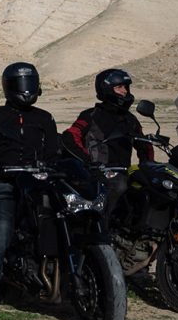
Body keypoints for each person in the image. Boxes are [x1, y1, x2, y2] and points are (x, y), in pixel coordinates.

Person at [0, 62, 59, 320]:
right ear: (9, 87)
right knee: (0, 235)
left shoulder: (45, 118)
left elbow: (54, 152)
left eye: (30, 84)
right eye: (21, 85)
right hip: (6, 184)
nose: (26, 90)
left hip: (40, 183)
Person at [61, 68, 153, 218]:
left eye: (126, 87)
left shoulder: (130, 119)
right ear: (107, 89)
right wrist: (87, 162)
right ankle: (103, 225)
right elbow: (70, 136)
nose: (125, 91)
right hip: (98, 173)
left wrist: (148, 166)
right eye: (119, 87)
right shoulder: (91, 115)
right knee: (120, 185)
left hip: (124, 171)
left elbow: (144, 145)